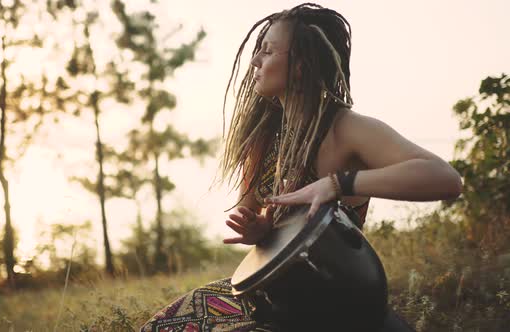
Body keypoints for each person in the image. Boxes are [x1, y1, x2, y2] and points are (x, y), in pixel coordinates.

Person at [140, 3, 462, 331]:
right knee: (163, 326)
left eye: (267, 51)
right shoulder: (263, 138)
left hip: (330, 303)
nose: (255, 61)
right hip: (271, 296)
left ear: (299, 65)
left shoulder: (345, 129)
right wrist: (258, 230)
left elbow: (445, 179)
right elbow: (251, 216)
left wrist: (338, 185)